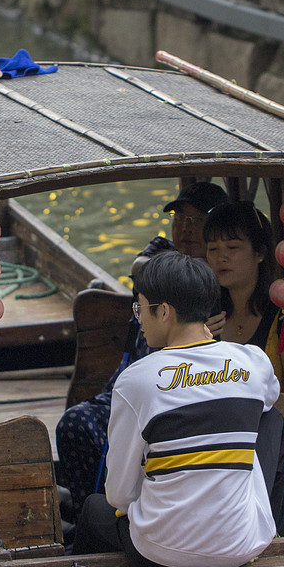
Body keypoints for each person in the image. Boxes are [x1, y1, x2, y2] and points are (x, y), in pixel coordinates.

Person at [70, 250, 283, 567]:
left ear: (165, 311)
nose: (137, 318)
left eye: (139, 308)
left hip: (162, 553)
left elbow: (119, 495)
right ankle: (281, 536)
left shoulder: (136, 380)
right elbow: (268, 400)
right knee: (272, 420)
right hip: (241, 546)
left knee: (93, 507)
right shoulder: (252, 361)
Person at [55, 181, 228, 522]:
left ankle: (104, 516)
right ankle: (84, 510)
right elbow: (140, 265)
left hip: (176, 392)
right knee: (74, 424)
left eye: (196, 221)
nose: (185, 228)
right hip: (130, 384)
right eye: (180, 219)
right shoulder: (162, 256)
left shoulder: (221, 280)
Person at [203, 201, 284, 396]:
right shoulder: (205, 312)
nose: (221, 257)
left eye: (232, 247)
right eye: (213, 249)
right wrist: (197, 341)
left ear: (260, 253)